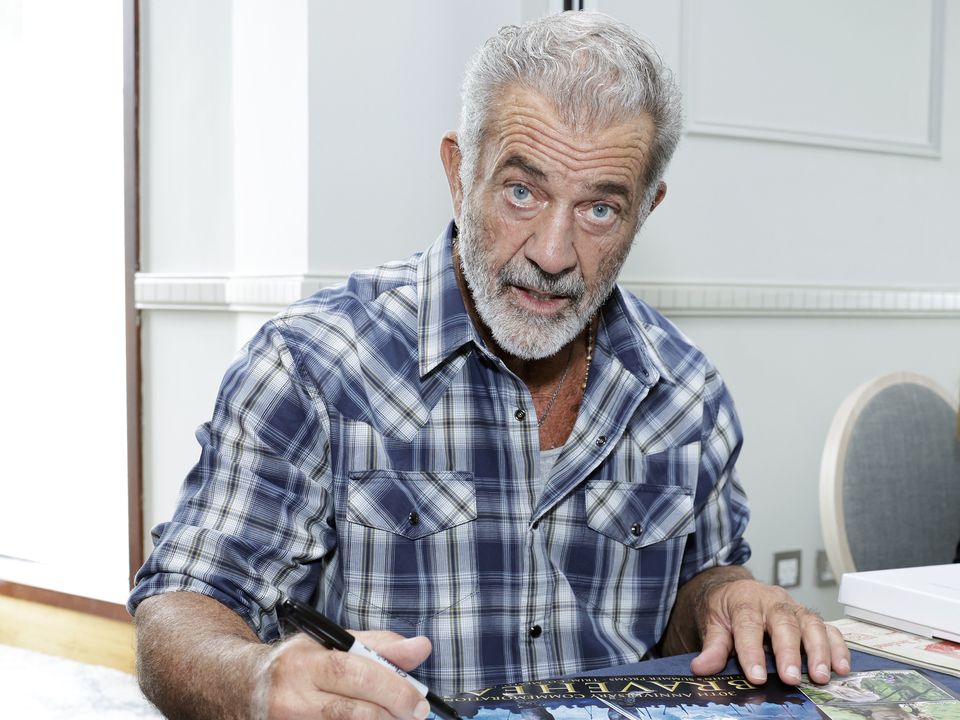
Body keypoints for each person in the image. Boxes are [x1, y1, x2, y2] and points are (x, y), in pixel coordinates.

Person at [129, 11, 849, 719]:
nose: (553, 254)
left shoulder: (688, 391)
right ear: (458, 171)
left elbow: (695, 595)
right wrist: (257, 681)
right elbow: (182, 608)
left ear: (646, 209)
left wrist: (726, 597)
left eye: (600, 209)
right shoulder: (311, 364)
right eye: (521, 192)